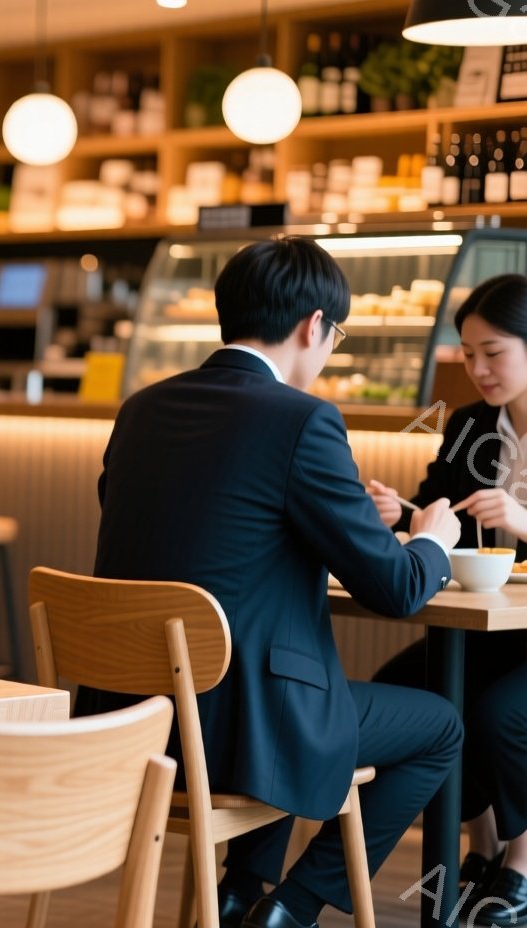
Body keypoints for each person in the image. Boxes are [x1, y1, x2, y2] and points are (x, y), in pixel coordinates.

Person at [86, 235, 465, 928]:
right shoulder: (302, 420)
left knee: (291, 678)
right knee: (439, 725)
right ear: (314, 325)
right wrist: (433, 543)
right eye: (335, 336)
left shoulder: (141, 407)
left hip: (129, 722)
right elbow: (398, 589)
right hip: (239, 731)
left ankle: (240, 893)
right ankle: (291, 907)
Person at [366, 273, 527, 926]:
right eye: (468, 354)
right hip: (492, 627)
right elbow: (435, 507)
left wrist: (522, 519)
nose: (478, 369)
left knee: (500, 715)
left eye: (494, 353)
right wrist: (396, 516)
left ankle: (521, 867)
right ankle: (481, 846)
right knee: (409, 696)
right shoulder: (469, 425)